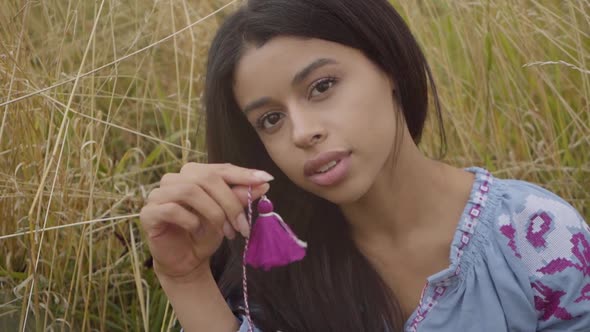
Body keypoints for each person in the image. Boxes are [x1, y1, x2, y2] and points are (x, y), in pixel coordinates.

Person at [138, 0, 590, 331]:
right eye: (270, 119)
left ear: (388, 64)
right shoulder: (279, 266)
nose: (301, 132)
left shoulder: (538, 237)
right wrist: (185, 277)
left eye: (322, 86)